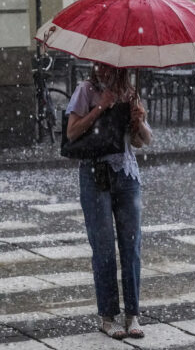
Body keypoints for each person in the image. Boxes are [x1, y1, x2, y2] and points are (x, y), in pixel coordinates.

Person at [65, 63, 152, 340]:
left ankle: (132, 314)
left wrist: (139, 121)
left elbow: (145, 140)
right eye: (100, 64)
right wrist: (100, 107)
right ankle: (107, 316)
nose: (104, 69)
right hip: (95, 176)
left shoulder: (130, 92)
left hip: (127, 176)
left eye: (109, 65)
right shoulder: (85, 90)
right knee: (103, 248)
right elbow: (71, 133)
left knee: (132, 246)